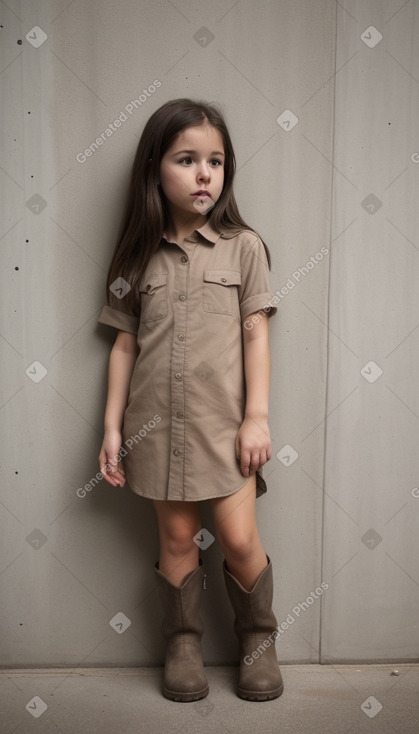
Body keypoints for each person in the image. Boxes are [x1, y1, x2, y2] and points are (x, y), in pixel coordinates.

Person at [97, 98, 283, 703]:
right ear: (155, 168)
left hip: (224, 432)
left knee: (238, 541)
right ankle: (182, 644)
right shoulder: (133, 256)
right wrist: (110, 429)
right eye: (187, 159)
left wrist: (256, 418)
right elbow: (124, 347)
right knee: (176, 542)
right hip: (154, 430)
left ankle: (258, 640)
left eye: (216, 161)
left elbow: (257, 336)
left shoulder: (244, 247)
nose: (205, 174)